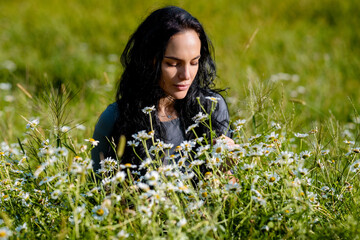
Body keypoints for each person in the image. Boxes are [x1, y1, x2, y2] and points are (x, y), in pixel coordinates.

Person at [91, 6, 234, 173]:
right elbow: (97, 190)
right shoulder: (116, 118)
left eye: (194, 62)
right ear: (149, 61)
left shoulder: (211, 108)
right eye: (173, 64)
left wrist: (225, 169)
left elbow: (228, 191)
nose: (186, 75)